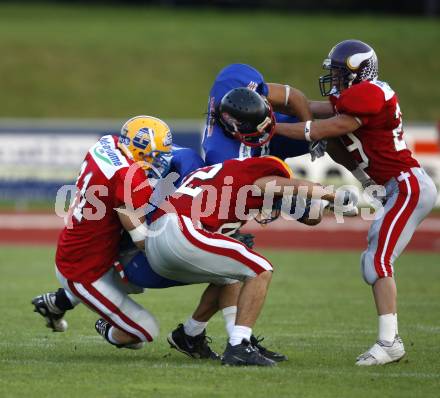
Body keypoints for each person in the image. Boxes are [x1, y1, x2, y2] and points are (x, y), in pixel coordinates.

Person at [273, 39, 438, 365]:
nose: (333, 78)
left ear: (360, 71)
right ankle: (389, 340)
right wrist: (269, 105)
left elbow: (329, 125)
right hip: (392, 187)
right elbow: (311, 107)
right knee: (373, 260)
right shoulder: (357, 95)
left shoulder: (370, 93)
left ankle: (390, 342)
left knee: (377, 261)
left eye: (338, 72)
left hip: (407, 187)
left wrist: (272, 127)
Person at [143, 155, 352, 366]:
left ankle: (190, 334)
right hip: (181, 229)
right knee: (261, 268)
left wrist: (324, 204)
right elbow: (297, 185)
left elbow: (307, 216)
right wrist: (335, 196)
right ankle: (240, 346)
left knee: (229, 276)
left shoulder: (227, 176)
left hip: (157, 243)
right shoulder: (258, 175)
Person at [32, 115, 173, 348]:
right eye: (156, 156)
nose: (161, 161)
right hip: (82, 271)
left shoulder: (107, 142)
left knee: (134, 282)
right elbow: (140, 239)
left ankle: (56, 302)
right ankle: (105, 325)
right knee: (142, 333)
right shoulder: (128, 176)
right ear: (141, 152)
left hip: (84, 246)